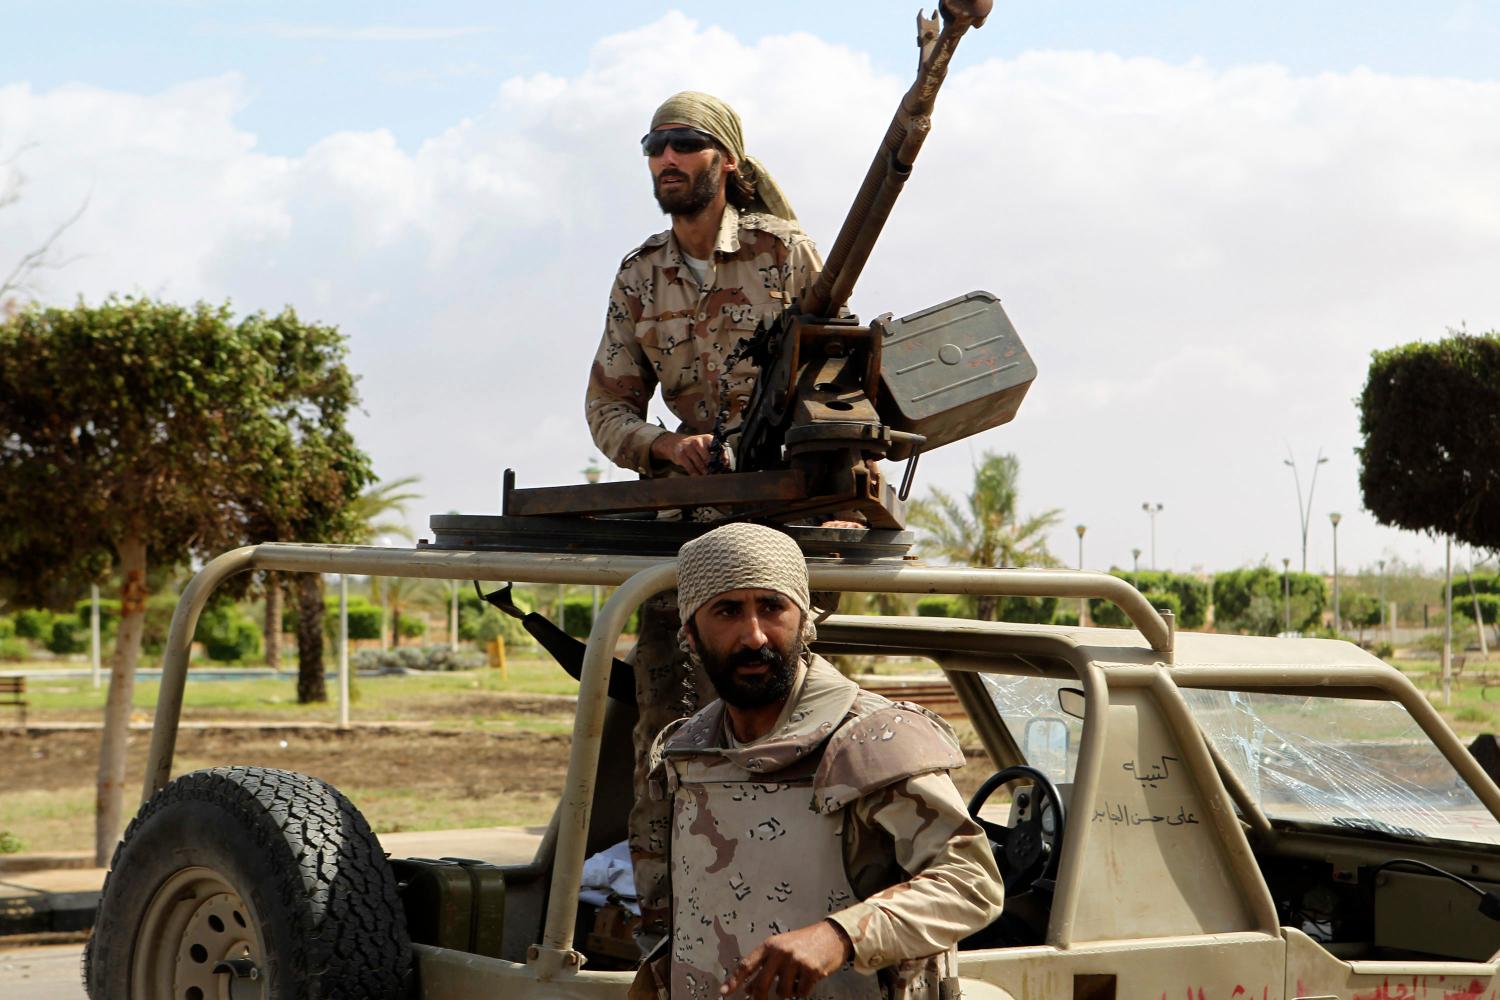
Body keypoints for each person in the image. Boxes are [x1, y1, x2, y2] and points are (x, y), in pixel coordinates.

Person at [585, 92, 840, 948]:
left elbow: (845, 380)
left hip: (792, 534)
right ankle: (669, 935)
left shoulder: (787, 253)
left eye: (685, 145)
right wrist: (664, 448)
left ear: (726, 160)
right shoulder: (639, 273)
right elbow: (606, 406)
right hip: (687, 537)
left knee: (804, 726)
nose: (666, 159)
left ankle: (806, 920)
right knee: (666, 729)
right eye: (654, 146)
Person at [638, 522, 1005, 1000]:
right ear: (690, 632)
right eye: (727, 611)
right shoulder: (686, 753)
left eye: (772, 607)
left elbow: (970, 881)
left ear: (805, 619)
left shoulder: (872, 741)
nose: (753, 636)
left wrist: (842, 935)